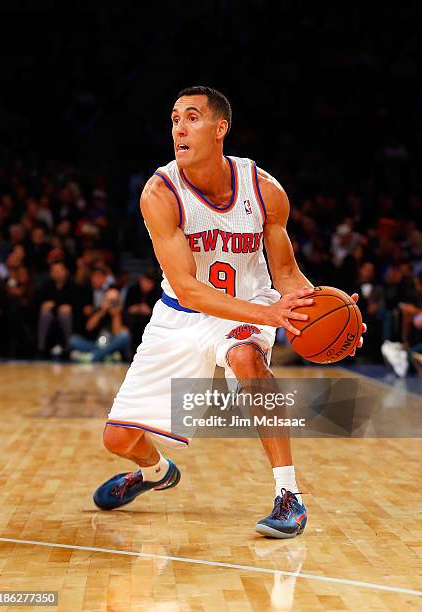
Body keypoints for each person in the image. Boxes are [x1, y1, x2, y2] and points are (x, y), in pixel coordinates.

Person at [93, 86, 366, 538]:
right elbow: (189, 289)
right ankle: (157, 471)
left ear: (221, 128)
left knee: (246, 358)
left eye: (193, 117)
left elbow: (286, 273)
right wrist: (275, 316)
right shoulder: (160, 194)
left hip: (251, 306)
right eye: (175, 118)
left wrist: (325, 309)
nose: (179, 127)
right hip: (181, 313)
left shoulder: (263, 191)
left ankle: (289, 496)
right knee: (117, 440)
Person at [69, 287, 131, 362]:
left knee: (124, 336)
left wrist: (115, 315)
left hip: (112, 345)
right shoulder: (99, 310)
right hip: (97, 345)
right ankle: (107, 355)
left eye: (113, 301)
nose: (111, 303)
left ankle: (94, 356)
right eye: (109, 300)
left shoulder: (122, 313)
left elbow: (118, 334)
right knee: (73, 340)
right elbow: (89, 327)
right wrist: (102, 311)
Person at [36, 260, 78, 357]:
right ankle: (41, 347)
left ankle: (69, 347)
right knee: (45, 314)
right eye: (54, 271)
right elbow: (37, 303)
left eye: (59, 270)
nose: (57, 273)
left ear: (66, 271)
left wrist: (70, 308)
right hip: (51, 318)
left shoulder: (74, 287)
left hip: (70, 319)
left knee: (64, 315)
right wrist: (43, 306)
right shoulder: (46, 287)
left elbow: (78, 305)